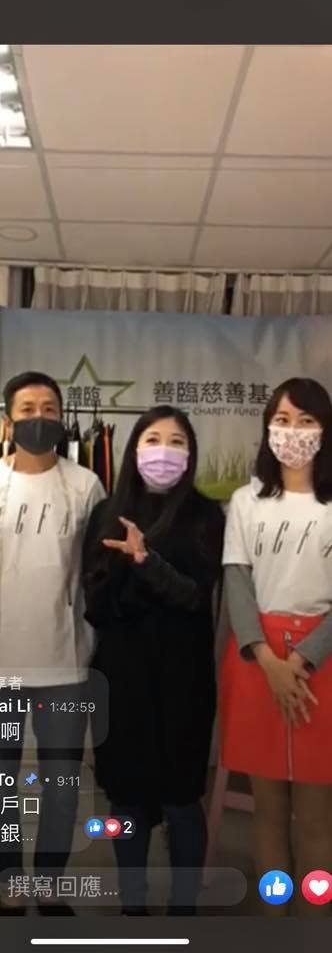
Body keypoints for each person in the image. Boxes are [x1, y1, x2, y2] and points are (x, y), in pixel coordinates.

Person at [0, 371, 105, 916]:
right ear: (8, 420)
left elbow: (96, 571)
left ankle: (48, 882)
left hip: (65, 660)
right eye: (27, 408)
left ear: (61, 417)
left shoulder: (85, 486)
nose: (39, 417)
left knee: (62, 784)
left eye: (49, 408)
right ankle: (9, 885)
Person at [82, 405, 225, 916]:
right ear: (134, 449)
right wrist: (122, 570)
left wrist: (146, 562)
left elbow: (194, 595)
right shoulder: (106, 512)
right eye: (153, 439)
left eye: (177, 441)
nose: (164, 450)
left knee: (182, 798)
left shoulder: (207, 515)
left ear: (190, 454)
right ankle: (133, 905)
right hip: (121, 675)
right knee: (126, 797)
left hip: (184, 675)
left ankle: (184, 908)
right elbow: (95, 606)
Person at [220, 377, 332, 917]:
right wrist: (268, 659)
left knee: (315, 816)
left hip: (322, 664)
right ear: (267, 428)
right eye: (283, 421)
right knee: (266, 811)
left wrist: (303, 658)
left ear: (325, 431)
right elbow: (237, 580)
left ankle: (314, 926)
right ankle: (275, 922)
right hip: (256, 662)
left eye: (306, 421)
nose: (293, 432)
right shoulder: (247, 501)